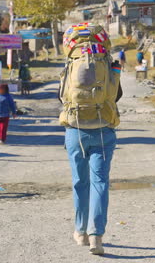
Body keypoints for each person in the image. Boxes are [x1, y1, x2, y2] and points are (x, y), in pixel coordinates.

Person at [59, 23, 122, 256]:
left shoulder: (70, 65)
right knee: (100, 183)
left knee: (79, 182)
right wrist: (116, 72)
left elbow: (61, 96)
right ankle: (97, 235)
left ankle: (80, 231)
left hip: (75, 130)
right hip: (103, 129)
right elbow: (114, 96)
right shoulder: (107, 66)